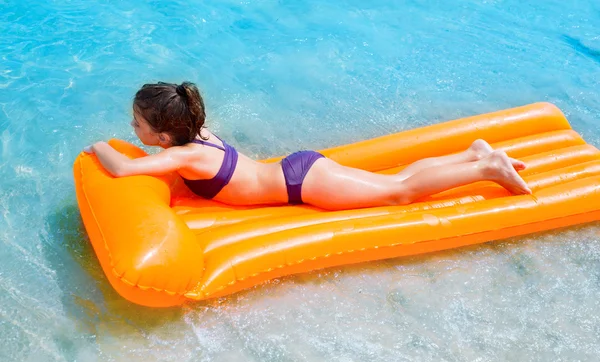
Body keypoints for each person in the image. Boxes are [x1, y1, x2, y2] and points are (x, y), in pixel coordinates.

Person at [84, 81, 532, 211]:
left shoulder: (182, 153)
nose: (131, 127)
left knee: (401, 192)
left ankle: (486, 170)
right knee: (393, 178)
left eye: (137, 123)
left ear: (164, 136)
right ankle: (472, 153)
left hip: (303, 186)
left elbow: (122, 170)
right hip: (300, 169)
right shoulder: (196, 131)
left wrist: (97, 146)